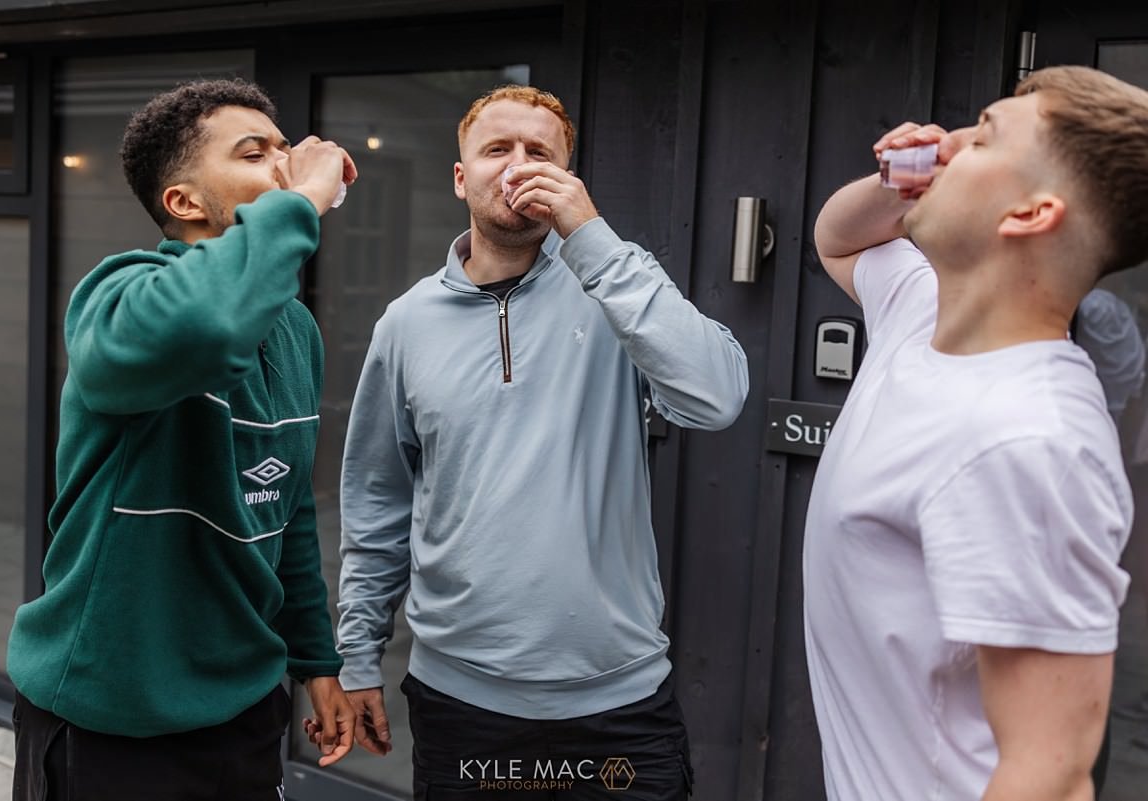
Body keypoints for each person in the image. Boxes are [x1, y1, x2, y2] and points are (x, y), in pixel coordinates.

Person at [316, 85, 748, 799]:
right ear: (462, 177)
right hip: (462, 708)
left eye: (539, 152)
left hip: (618, 706)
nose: (518, 166)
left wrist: (592, 238)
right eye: (496, 149)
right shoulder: (406, 323)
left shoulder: (616, 287)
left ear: (568, 178)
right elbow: (376, 502)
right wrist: (359, 653)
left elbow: (718, 395)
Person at [6, 79, 359, 800]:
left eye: (287, 151)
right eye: (257, 153)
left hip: (245, 710)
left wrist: (317, 661)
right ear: (185, 202)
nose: (287, 167)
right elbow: (206, 324)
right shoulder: (117, 296)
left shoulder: (295, 330)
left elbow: (283, 511)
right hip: (113, 718)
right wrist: (300, 203)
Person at [803, 65, 1148, 801]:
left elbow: (1050, 775)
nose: (946, 146)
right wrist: (897, 183)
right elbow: (836, 240)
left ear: (1028, 214)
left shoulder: (1030, 440)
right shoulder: (922, 303)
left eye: (981, 138)